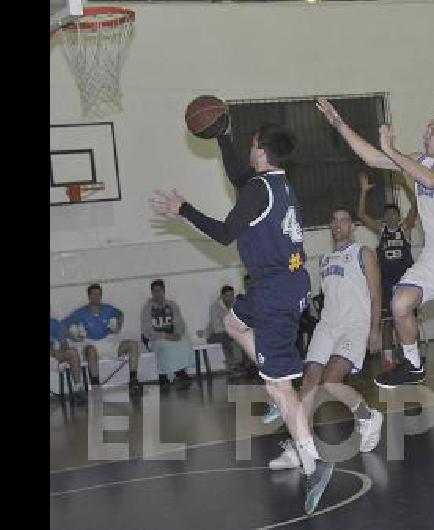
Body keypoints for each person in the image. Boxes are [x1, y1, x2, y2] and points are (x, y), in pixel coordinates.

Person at [150, 121, 333, 515]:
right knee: (233, 322)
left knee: (283, 389)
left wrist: (183, 209)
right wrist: (222, 135)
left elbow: (222, 234)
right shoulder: (277, 184)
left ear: (262, 151)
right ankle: (274, 382)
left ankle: (313, 463)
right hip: (281, 286)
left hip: (275, 295)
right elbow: (239, 176)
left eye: (251, 145)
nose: (249, 150)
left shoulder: (257, 190)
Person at [317, 99, 434, 458]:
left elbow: (433, 180)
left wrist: (393, 152)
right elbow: (374, 159)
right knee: (400, 301)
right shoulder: (420, 160)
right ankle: (414, 363)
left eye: (433, 129)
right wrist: (340, 124)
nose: (425, 133)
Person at [267, 206, 384, 470]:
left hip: (354, 325)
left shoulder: (363, 253)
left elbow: (376, 294)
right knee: (308, 381)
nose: (338, 224)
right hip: (328, 325)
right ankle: (300, 445)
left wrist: (375, 330)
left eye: (343, 220)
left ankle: (367, 416)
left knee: (331, 382)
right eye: (334, 220)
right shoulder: (325, 260)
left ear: (351, 226)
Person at [357, 171, 417, 367]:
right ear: (384, 217)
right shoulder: (381, 230)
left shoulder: (405, 229)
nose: (391, 216)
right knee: (387, 323)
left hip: (405, 283)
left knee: (407, 319)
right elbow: (360, 215)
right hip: (386, 283)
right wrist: (364, 192)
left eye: (395, 214)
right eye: (388, 214)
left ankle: (411, 356)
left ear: (399, 216)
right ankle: (389, 360)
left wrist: (406, 185)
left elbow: (416, 206)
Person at [62, 284, 143, 396]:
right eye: (94, 294)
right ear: (89, 296)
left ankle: (133, 380)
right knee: (91, 351)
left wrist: (118, 326)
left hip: (107, 342)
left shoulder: (108, 309)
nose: (97, 296)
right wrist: (73, 337)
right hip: (90, 343)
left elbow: (120, 314)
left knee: (133, 345)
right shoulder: (81, 312)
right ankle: (95, 386)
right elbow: (64, 324)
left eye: (99, 294)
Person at [140, 279, 194, 391]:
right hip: (156, 337)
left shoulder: (172, 305)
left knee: (185, 343)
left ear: (164, 291)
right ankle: (164, 375)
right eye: (155, 291)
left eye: (159, 290)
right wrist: (165, 335)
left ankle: (180, 370)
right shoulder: (147, 309)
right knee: (165, 347)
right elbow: (147, 330)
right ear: (152, 293)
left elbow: (179, 322)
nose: (157, 294)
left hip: (172, 334)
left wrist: (178, 333)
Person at [207, 285, 247, 375]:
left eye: (231, 295)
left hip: (233, 332)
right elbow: (217, 327)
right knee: (225, 337)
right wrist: (233, 331)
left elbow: (242, 320)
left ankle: (245, 364)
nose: (229, 298)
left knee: (246, 335)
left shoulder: (237, 305)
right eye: (227, 296)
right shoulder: (215, 307)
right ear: (222, 296)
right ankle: (233, 365)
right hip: (214, 334)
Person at [50, 316, 86, 401]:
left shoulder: (54, 323)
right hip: (52, 354)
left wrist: (58, 349)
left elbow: (64, 344)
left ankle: (78, 388)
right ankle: (56, 364)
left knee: (72, 352)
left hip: (55, 353)